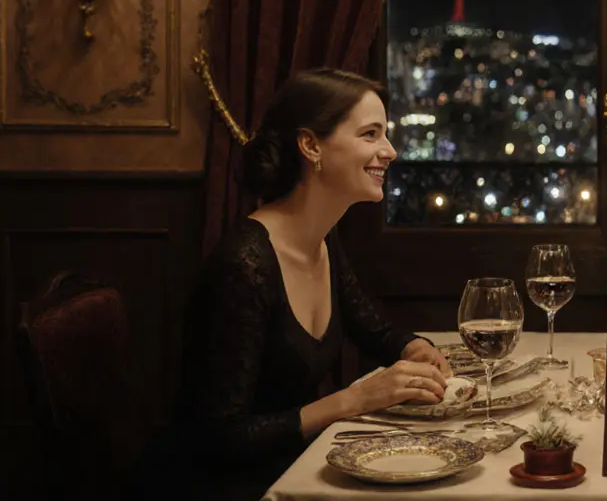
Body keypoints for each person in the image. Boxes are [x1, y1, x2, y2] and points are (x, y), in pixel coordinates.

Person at [143, 69, 453, 499]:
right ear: (311, 146)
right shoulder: (244, 265)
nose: (390, 151)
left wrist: (413, 348)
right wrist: (353, 400)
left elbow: (373, 329)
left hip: (294, 465)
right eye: (370, 134)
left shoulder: (324, 238)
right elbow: (219, 438)